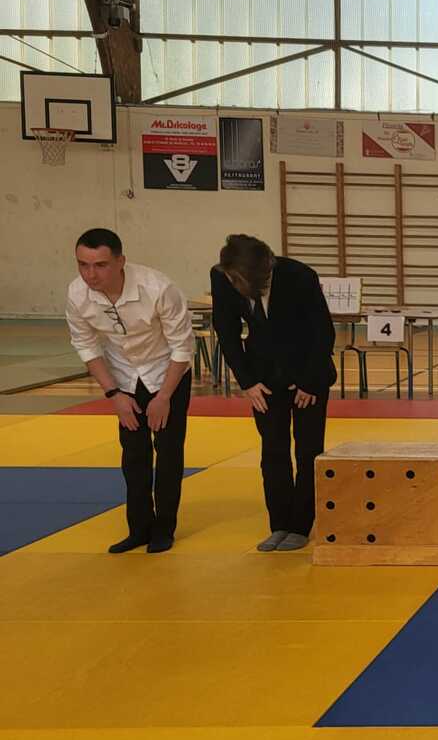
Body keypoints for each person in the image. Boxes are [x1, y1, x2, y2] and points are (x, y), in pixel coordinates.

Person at [65, 229, 194, 554]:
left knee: (168, 452)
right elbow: (85, 345)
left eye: (100, 265)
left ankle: (164, 528)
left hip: (167, 372)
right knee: (133, 454)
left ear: (121, 261)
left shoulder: (158, 288)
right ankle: (139, 528)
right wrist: (114, 395)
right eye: (83, 265)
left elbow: (182, 347)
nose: (90, 274)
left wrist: (163, 397)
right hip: (122, 375)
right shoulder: (77, 294)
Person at [210, 234, 336, 553]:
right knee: (273, 450)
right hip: (263, 378)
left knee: (308, 450)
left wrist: (309, 382)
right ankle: (279, 523)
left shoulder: (299, 276)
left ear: (264, 269)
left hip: (308, 374)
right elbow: (226, 331)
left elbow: (322, 332)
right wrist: (247, 382)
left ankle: (301, 525)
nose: (237, 285)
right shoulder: (222, 276)